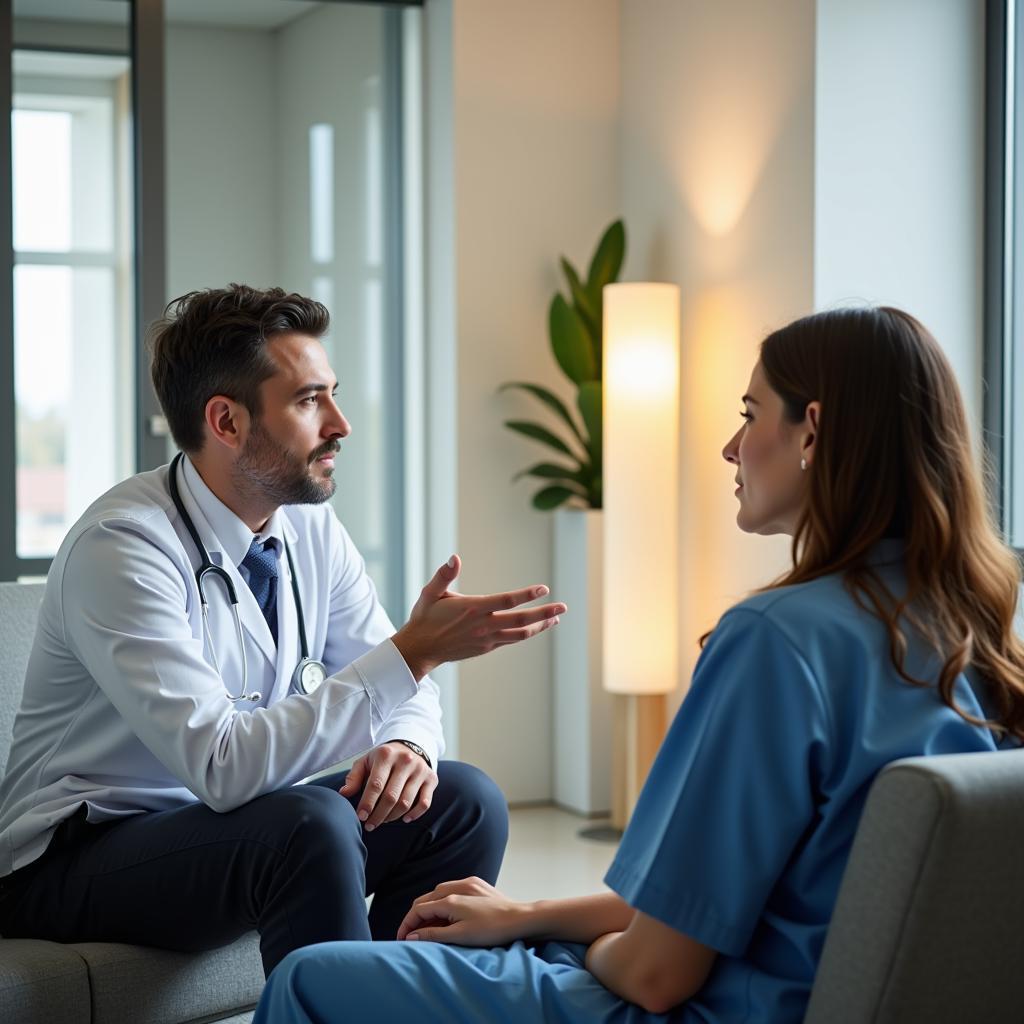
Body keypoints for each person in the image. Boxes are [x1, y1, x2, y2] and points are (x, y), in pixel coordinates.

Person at [253, 305, 1024, 1022]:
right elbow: (711, 904)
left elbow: (657, 974)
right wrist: (528, 917)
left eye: (751, 414)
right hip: (794, 988)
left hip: (712, 1006)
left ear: (812, 432)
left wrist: (553, 945)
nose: (731, 445)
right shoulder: (973, 633)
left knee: (310, 977)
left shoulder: (777, 643)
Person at [0, 284, 566, 977]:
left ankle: (403, 1004)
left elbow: (392, 677)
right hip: (72, 858)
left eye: (331, 393)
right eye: (308, 401)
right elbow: (224, 766)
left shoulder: (304, 523)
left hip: (213, 829)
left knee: (463, 801)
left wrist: (403, 743)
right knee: (310, 826)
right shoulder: (122, 546)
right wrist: (413, 653)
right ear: (226, 422)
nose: (341, 423)